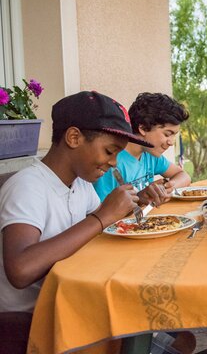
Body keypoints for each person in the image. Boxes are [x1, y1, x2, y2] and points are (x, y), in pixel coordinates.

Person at [0, 91, 147, 353]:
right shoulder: (27, 186)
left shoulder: (79, 185)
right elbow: (20, 270)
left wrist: (138, 205)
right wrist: (102, 216)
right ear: (74, 137)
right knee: (131, 332)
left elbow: (98, 234)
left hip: (69, 301)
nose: (113, 162)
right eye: (110, 151)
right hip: (29, 320)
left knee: (168, 332)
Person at [93, 92, 191, 206]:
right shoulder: (111, 161)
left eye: (174, 135)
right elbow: (101, 211)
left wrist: (167, 188)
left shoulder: (150, 154)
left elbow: (184, 176)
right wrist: (138, 199)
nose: (171, 142)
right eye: (167, 134)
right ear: (143, 128)